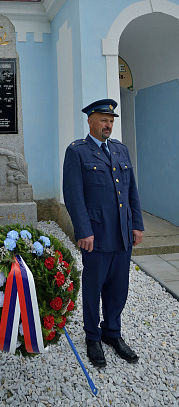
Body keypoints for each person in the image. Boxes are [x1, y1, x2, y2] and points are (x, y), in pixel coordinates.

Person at [63, 99, 144, 368]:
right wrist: (83, 231)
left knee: (119, 288)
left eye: (111, 121)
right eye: (103, 120)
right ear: (90, 121)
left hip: (122, 234)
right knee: (94, 287)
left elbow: (132, 191)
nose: (108, 125)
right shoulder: (78, 152)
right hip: (96, 234)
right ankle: (92, 337)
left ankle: (112, 333)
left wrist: (137, 224)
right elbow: (74, 197)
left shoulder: (121, 150)